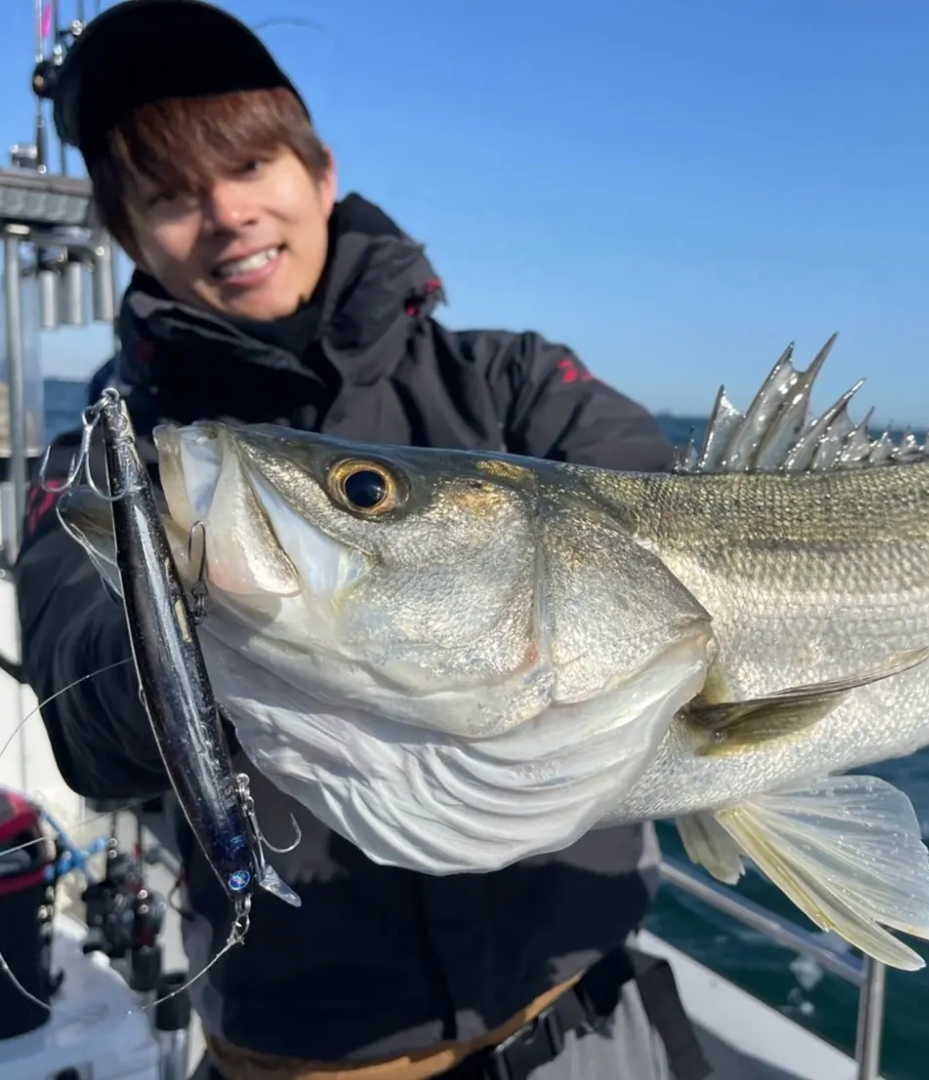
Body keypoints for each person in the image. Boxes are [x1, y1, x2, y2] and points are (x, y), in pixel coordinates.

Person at [15, 3, 711, 1078]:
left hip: (588, 1014)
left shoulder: (513, 381)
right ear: (126, 235)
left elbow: (686, 538)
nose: (227, 213)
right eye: (168, 197)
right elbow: (82, 710)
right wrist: (198, 632)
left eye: (251, 165)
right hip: (307, 1057)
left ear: (321, 173)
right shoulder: (112, 460)